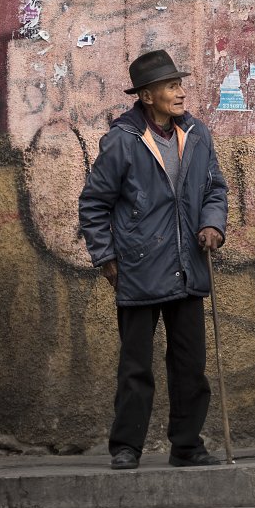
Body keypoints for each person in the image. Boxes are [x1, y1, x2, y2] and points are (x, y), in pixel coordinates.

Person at [79, 49, 229, 470]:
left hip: (189, 265)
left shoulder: (197, 134)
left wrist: (213, 225)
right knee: (135, 367)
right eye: (171, 87)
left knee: (190, 366)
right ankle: (126, 446)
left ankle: (187, 445)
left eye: (180, 85)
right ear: (147, 96)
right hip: (140, 267)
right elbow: (93, 203)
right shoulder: (122, 141)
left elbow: (216, 189)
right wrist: (105, 255)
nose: (181, 93)